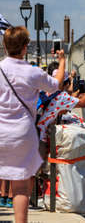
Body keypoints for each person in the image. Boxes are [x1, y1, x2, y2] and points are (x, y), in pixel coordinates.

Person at [0, 26, 66, 223]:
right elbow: (57, 84)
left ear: (4, 46)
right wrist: (62, 61)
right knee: (20, 187)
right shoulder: (32, 72)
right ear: (25, 47)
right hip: (22, 133)